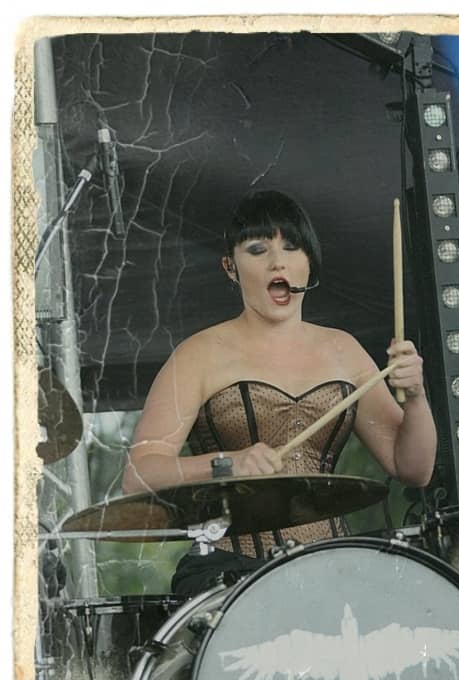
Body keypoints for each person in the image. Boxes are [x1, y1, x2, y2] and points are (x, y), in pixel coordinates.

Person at [122, 190, 437, 597]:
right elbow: (139, 475)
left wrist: (416, 396)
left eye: (292, 247)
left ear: (309, 263)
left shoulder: (343, 349)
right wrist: (227, 464)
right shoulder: (197, 355)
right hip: (231, 579)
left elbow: (413, 469)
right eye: (258, 249)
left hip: (334, 570)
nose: (278, 262)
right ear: (230, 267)